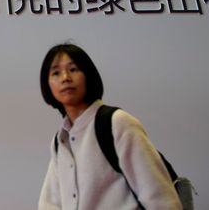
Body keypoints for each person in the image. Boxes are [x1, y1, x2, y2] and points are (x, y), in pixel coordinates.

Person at [38, 43, 182, 210]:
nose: (65, 78)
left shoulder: (117, 123)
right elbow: (50, 203)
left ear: (88, 75)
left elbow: (159, 198)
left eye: (73, 69)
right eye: (56, 73)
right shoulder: (59, 141)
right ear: (47, 85)